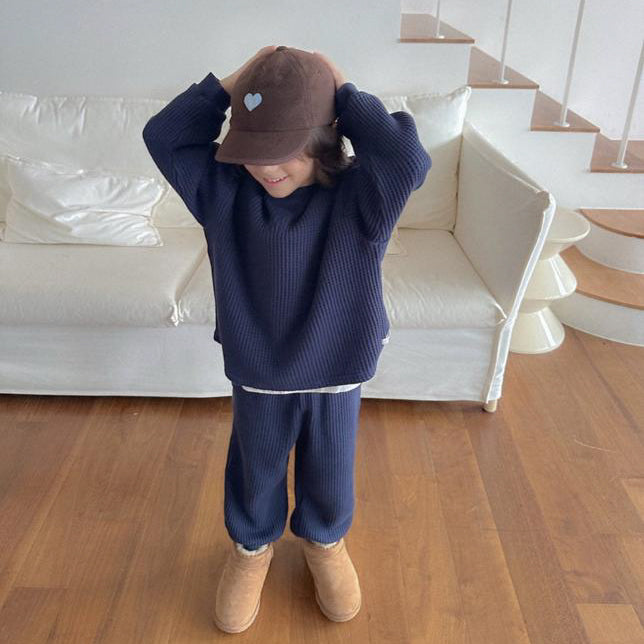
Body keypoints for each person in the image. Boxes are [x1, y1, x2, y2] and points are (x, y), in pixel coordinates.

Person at [142, 44, 431, 633]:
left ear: (324, 141)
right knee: (257, 466)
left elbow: (406, 158)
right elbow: (164, 136)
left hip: (337, 365)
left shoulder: (363, 198)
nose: (266, 167)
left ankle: (325, 542)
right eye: (252, 152)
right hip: (260, 368)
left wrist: (342, 90)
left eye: (286, 151)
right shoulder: (224, 195)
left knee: (330, 468)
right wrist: (233, 84)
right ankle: (252, 549)